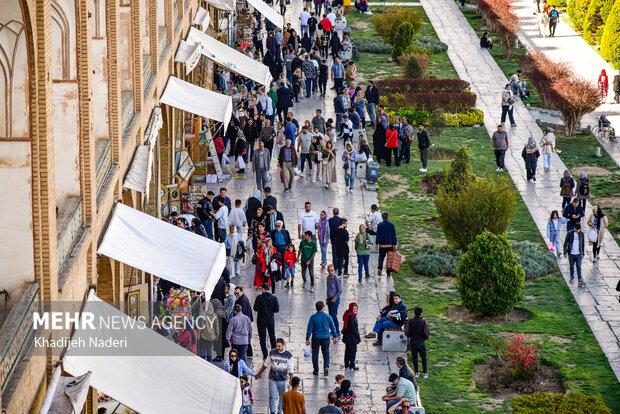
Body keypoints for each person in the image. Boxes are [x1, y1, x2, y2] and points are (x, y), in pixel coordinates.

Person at [255, 338, 295, 414]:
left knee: (282, 397)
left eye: (279, 346)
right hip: (272, 379)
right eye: (276, 346)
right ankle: (272, 411)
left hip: (283, 380)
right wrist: (260, 373)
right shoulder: (272, 352)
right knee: (272, 396)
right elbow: (266, 363)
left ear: (283, 345)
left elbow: (291, 368)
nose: (277, 348)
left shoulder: (288, 355)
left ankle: (280, 411)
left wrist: (291, 378)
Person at [306, 301, 340, 376]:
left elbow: (309, 329)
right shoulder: (328, 316)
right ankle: (326, 367)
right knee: (326, 353)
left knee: (315, 354)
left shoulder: (313, 317)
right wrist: (335, 336)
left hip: (316, 338)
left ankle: (316, 370)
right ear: (323, 308)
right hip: (325, 338)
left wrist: (307, 339)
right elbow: (333, 327)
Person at [254, 282, 280, 359]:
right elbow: (277, 310)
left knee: (262, 338)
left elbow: (255, 308)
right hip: (270, 320)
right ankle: (273, 352)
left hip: (261, 320)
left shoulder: (259, 298)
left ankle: (265, 355)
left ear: (263, 289)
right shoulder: (274, 298)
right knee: (272, 336)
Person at [405, 306, 430, 378]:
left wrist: (410, 336)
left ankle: (417, 372)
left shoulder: (410, 321)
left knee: (414, 358)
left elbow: (407, 332)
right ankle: (425, 373)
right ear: (421, 313)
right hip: (421, 342)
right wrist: (426, 338)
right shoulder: (423, 322)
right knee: (423, 357)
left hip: (413, 342)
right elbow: (425, 333)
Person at [564, 223, 586, 287]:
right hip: (571, 254)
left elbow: (582, 244)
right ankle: (572, 276)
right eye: (576, 230)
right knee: (571, 266)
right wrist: (565, 252)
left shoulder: (581, 234)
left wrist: (583, 252)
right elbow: (566, 243)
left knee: (578, 266)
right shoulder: (570, 233)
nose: (577, 231)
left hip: (578, 254)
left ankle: (580, 279)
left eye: (578, 230)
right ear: (574, 228)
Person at [376, 212, 397, 277]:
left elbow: (378, 235)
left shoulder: (380, 225)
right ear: (388, 217)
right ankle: (388, 272)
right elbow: (394, 235)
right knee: (389, 258)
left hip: (382, 245)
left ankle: (380, 269)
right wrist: (395, 244)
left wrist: (377, 243)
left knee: (381, 258)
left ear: (382, 218)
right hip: (390, 245)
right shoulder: (392, 225)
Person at [341, 302, 360, 370]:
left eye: (356, 309)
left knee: (347, 350)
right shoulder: (351, 316)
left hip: (347, 337)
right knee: (352, 351)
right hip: (352, 337)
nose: (355, 310)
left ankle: (346, 364)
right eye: (354, 309)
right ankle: (352, 364)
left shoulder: (348, 314)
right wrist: (356, 332)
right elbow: (352, 326)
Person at [325, 264, 343, 333]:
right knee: (331, 316)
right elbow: (328, 288)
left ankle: (337, 331)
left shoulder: (336, 279)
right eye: (329, 270)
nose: (330, 272)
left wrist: (335, 298)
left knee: (334, 316)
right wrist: (327, 297)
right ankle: (333, 330)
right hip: (329, 298)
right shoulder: (328, 278)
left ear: (334, 270)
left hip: (334, 300)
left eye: (332, 270)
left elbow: (340, 290)